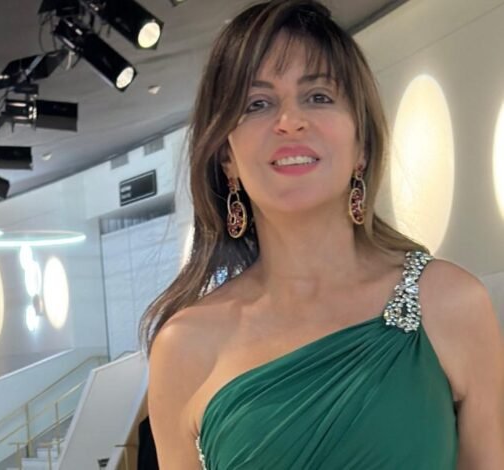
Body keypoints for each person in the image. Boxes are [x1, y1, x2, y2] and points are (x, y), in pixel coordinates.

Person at [141, 1, 504, 468]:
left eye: (318, 96)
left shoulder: (452, 304)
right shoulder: (184, 346)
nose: (289, 121)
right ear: (227, 158)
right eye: (257, 104)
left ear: (361, 144)